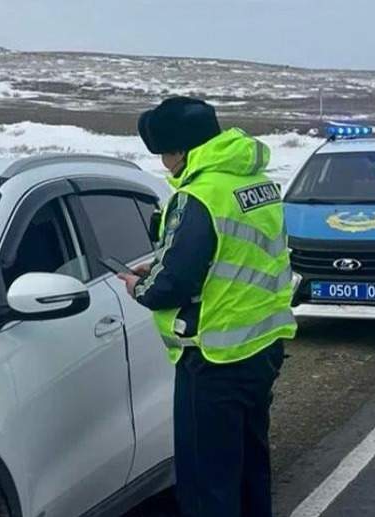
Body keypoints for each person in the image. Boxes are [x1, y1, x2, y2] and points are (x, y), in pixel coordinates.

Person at [118, 97, 297, 517]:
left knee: (206, 481)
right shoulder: (256, 183)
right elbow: (232, 256)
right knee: (249, 465)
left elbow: (171, 286)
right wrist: (164, 265)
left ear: (181, 150)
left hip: (214, 357)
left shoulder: (199, 195)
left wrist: (140, 286)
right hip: (262, 345)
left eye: (164, 154)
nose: (164, 164)